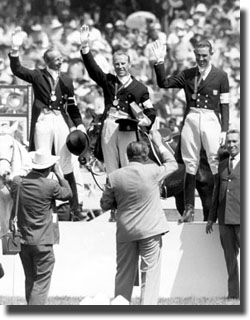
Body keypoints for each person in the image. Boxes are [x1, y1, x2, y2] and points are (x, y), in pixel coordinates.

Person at [8, 27, 87, 221]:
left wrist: (79, 124)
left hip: (60, 118)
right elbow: (17, 69)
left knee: (65, 161)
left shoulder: (66, 80)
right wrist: (15, 49)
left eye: (61, 57)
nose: (60, 60)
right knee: (40, 159)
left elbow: (72, 106)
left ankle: (74, 207)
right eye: (56, 57)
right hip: (43, 119)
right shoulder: (37, 75)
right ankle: (39, 204)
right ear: (47, 60)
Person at [80, 24, 156, 222]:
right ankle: (113, 208)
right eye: (117, 63)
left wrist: (146, 120)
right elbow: (93, 70)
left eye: (123, 63)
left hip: (128, 127)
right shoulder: (109, 81)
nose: (120, 66)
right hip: (109, 125)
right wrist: (85, 47)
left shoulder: (139, 87)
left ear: (129, 64)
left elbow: (150, 111)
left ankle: (131, 205)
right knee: (112, 169)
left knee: (128, 166)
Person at [150, 39, 229, 223]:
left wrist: (224, 128)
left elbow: (224, 104)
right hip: (192, 117)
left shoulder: (220, 76)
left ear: (211, 54)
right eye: (198, 55)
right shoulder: (188, 74)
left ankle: (220, 204)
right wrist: (159, 62)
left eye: (204, 56)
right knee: (189, 163)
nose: (201, 59)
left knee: (214, 161)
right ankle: (188, 208)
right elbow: (164, 83)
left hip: (211, 118)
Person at [100, 129, 178, 304]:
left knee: (124, 274)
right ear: (145, 155)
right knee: (150, 273)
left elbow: (105, 204)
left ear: (128, 156)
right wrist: (158, 143)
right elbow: (173, 164)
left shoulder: (114, 176)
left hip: (125, 230)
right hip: (151, 229)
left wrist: (118, 201)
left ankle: (120, 307)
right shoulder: (153, 171)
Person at [9, 149, 72, 305]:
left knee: (30, 279)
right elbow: (68, 194)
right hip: (43, 240)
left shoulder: (18, 182)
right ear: (49, 168)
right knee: (41, 282)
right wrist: (60, 175)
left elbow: (12, 189)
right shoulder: (50, 185)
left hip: (22, 240)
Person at [206, 129, 240, 300]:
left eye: (235, 141)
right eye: (229, 142)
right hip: (224, 220)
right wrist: (211, 218)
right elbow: (216, 192)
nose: (231, 145)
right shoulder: (222, 165)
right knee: (230, 259)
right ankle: (234, 295)